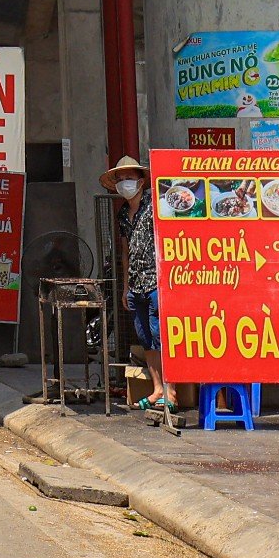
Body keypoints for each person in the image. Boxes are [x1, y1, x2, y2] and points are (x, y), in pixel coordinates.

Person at [101, 155, 174, 415]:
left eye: (128, 179)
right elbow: (124, 251)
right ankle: (157, 388)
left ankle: (170, 390)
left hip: (156, 280)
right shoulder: (123, 213)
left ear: (141, 181)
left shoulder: (155, 207)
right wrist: (124, 286)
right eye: (120, 180)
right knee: (145, 338)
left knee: (160, 335)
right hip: (135, 283)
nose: (123, 184)